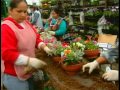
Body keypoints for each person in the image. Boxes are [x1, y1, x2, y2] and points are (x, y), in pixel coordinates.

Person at [1, 0, 51, 90]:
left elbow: (36, 37)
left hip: (28, 71)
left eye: (25, 11)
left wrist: (44, 46)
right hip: (14, 74)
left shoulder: (26, 23)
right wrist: (29, 61)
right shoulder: (6, 27)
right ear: (10, 10)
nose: (23, 15)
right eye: (19, 11)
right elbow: (7, 53)